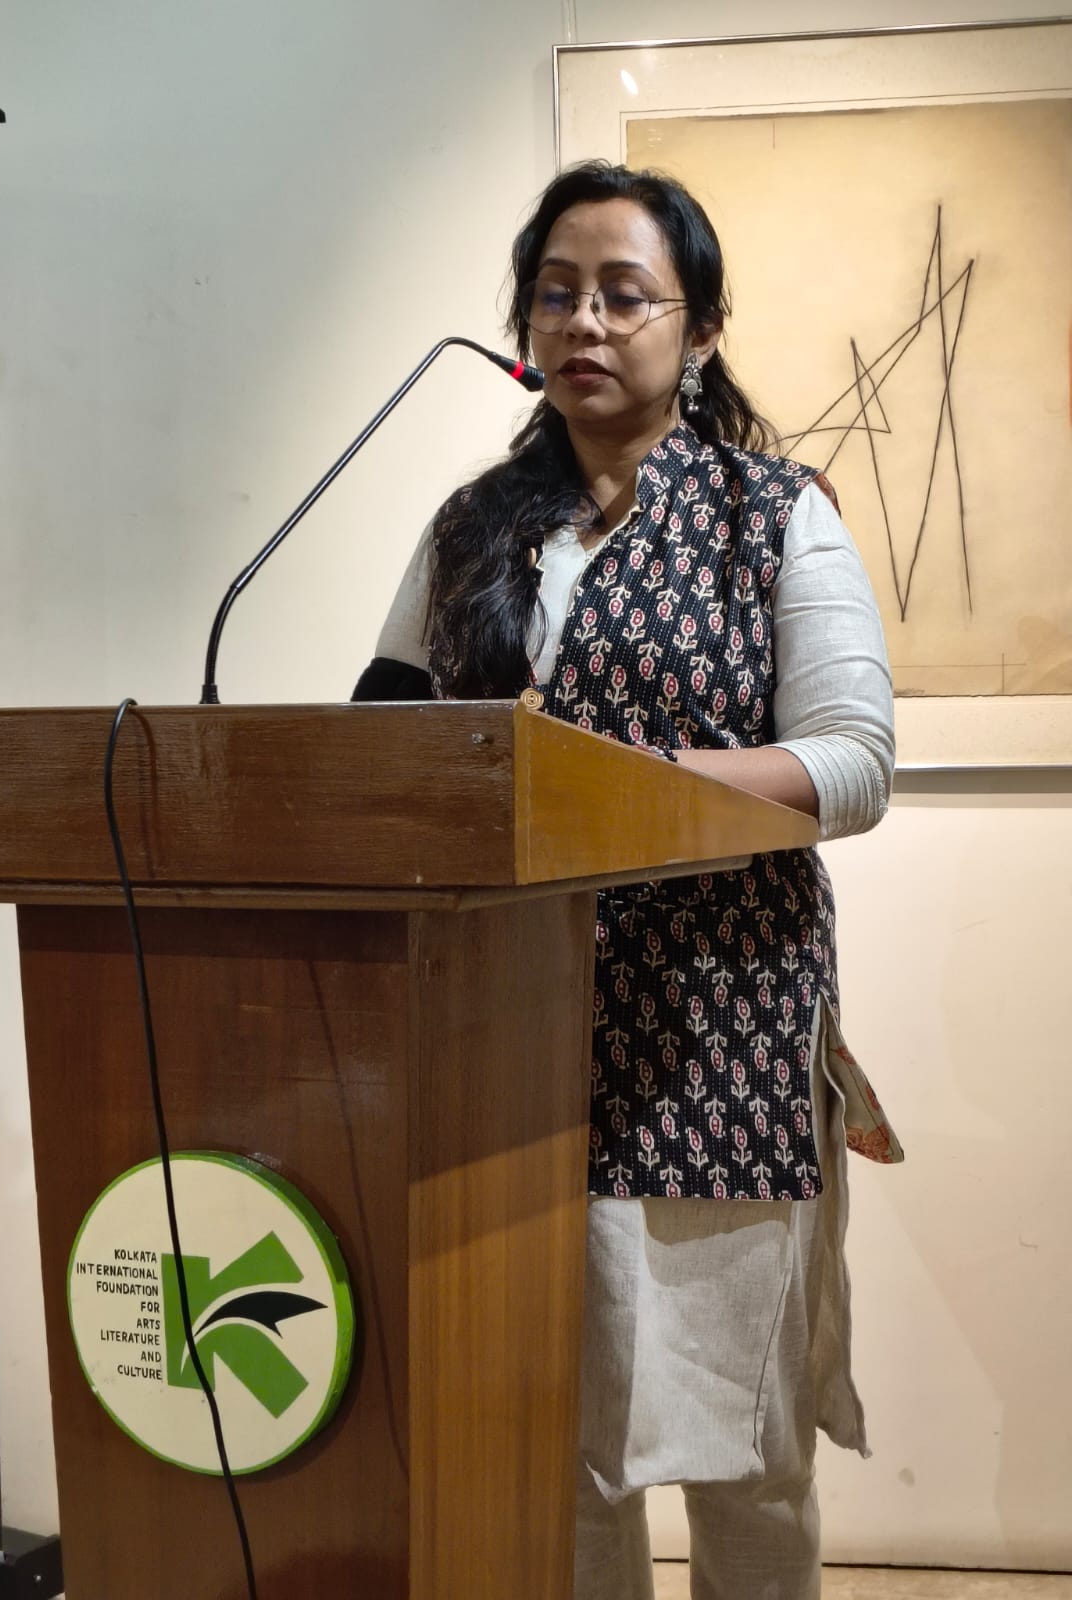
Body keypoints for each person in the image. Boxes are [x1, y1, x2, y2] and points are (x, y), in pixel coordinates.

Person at [353, 161, 899, 1600]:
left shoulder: (772, 514)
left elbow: (851, 764)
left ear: (700, 328)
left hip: (719, 1035)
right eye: (555, 293)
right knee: (552, 1438)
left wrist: (613, 785)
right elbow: (383, 739)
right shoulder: (472, 527)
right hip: (505, 1035)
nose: (583, 321)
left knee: (743, 1444)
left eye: (622, 294)